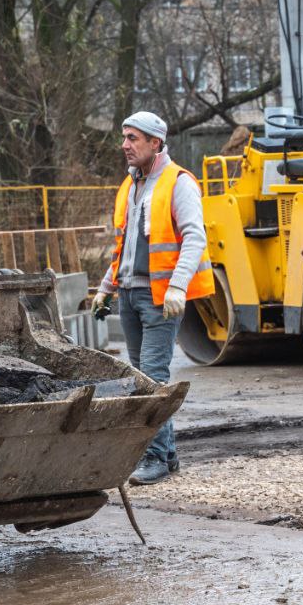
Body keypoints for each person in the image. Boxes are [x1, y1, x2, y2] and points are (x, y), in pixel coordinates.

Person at [93, 112, 215, 485]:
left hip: (161, 297)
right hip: (130, 294)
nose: (125, 145)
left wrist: (178, 286)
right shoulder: (131, 185)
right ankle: (169, 454)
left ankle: (156, 457)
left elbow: (195, 237)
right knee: (142, 377)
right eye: (124, 137)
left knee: (151, 378)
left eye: (133, 138)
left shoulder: (178, 183)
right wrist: (106, 287)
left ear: (155, 143)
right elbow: (124, 247)